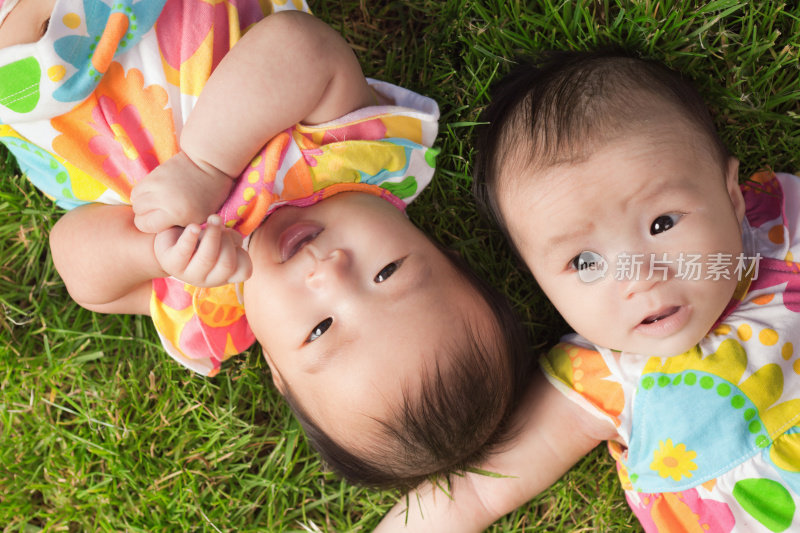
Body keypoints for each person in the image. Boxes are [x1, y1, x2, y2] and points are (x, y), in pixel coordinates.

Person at [0, 0, 532, 490]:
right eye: (387, 273)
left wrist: (153, 255)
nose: (330, 273)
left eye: (321, 329)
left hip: (28, 78)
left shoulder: (207, 307)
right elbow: (299, 45)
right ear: (441, 251)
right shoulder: (359, 157)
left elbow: (78, 270)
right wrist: (206, 164)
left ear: (277, 371)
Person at [376, 51, 800, 532]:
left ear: (731, 197)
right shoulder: (600, 376)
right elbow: (475, 491)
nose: (640, 276)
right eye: (586, 263)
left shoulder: (783, 232)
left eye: (662, 223)